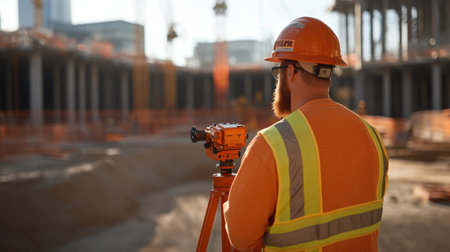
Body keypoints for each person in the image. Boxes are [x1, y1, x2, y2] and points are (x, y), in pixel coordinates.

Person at [223, 17, 389, 252]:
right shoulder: (371, 136)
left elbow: (241, 238)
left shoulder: (271, 144)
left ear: (290, 72)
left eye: (278, 71)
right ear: (328, 72)